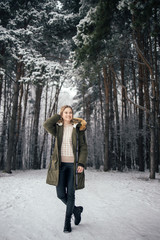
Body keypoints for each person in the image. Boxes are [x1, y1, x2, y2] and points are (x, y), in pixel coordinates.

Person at [43, 105, 88, 233]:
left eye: (70, 112)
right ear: (62, 114)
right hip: (60, 166)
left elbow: (84, 147)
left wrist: (81, 163)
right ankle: (76, 210)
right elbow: (46, 124)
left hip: (73, 166)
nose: (68, 115)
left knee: (71, 195)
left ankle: (67, 222)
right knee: (61, 194)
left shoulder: (78, 128)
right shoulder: (58, 128)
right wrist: (59, 115)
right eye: (66, 112)